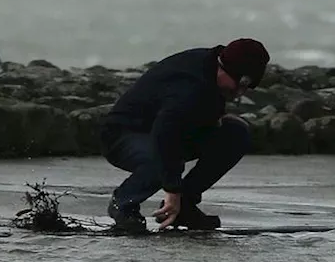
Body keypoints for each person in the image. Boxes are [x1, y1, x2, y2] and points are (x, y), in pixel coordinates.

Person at [100, 38, 270, 233]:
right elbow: (164, 135)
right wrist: (173, 191)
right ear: (224, 68)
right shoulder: (190, 86)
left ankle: (184, 207)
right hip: (123, 135)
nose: (239, 93)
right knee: (164, 159)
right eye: (239, 84)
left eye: (246, 87)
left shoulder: (212, 70)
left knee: (236, 133)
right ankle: (123, 203)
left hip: (166, 131)